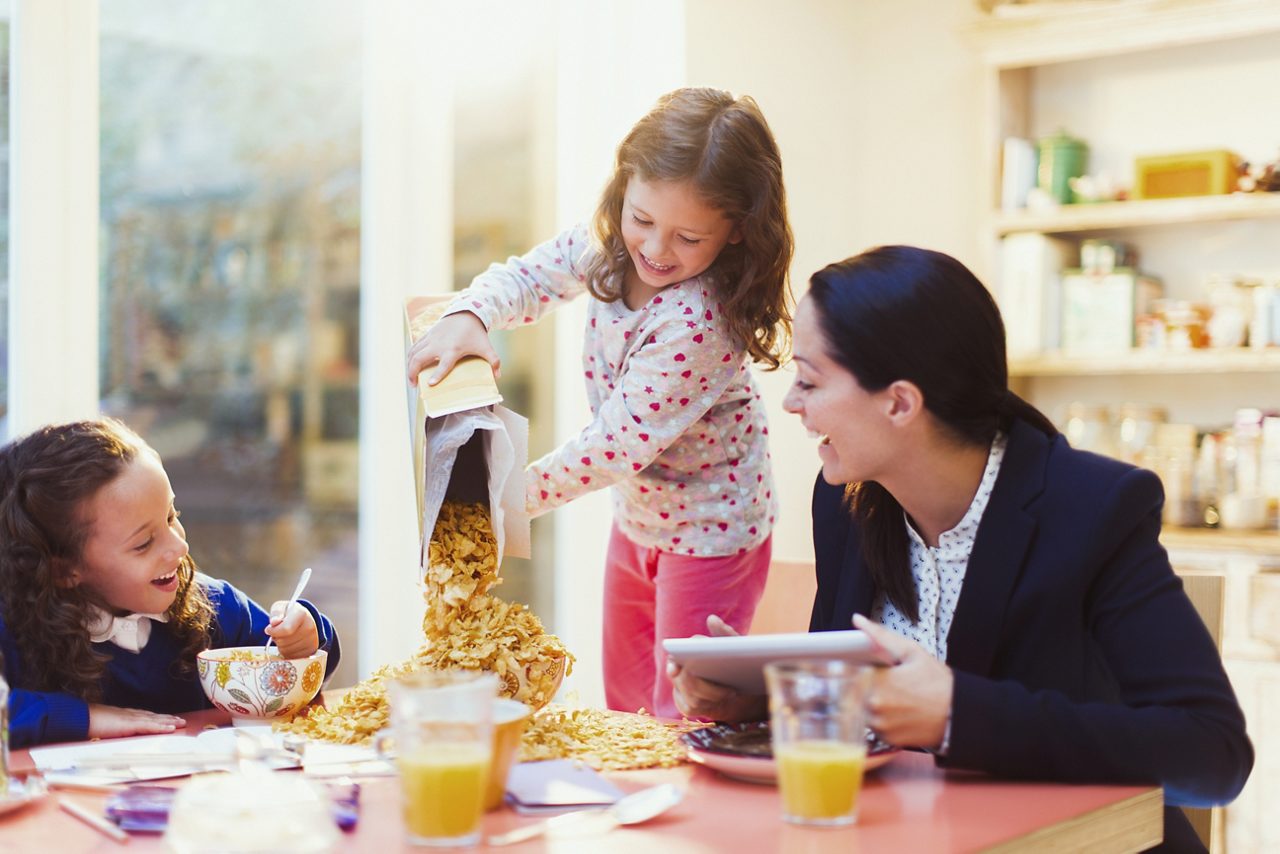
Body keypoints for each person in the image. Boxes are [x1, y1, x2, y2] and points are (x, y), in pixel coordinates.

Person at [670, 246, 1252, 851]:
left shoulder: (1094, 509)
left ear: (899, 402)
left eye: (810, 381)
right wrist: (766, 701)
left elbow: (1212, 756)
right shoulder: (846, 503)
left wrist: (959, 715)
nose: (791, 402)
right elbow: (860, 707)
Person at [406, 87, 793, 718]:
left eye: (688, 236)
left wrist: (504, 503)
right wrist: (473, 312)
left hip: (712, 535)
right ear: (622, 191)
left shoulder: (700, 321)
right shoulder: (609, 245)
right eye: (642, 218)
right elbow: (530, 276)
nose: (657, 249)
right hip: (638, 516)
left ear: (737, 231)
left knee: (681, 717)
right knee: (625, 704)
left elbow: (615, 444)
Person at [0, 418, 342, 747]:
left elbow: (295, 670)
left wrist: (306, 638)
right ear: (65, 570)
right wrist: (86, 717)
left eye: (171, 516)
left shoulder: (215, 606)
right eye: (143, 543)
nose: (179, 546)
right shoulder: (14, 630)